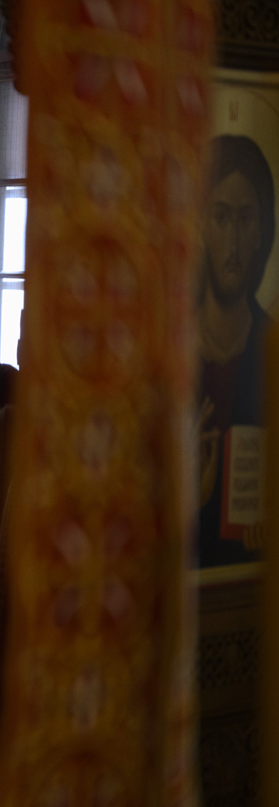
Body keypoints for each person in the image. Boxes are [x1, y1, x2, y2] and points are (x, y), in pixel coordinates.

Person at [197, 134, 274, 568]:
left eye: (246, 219)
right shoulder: (172, 349)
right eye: (221, 217)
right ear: (201, 225)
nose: (234, 243)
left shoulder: (272, 347)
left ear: (262, 232)